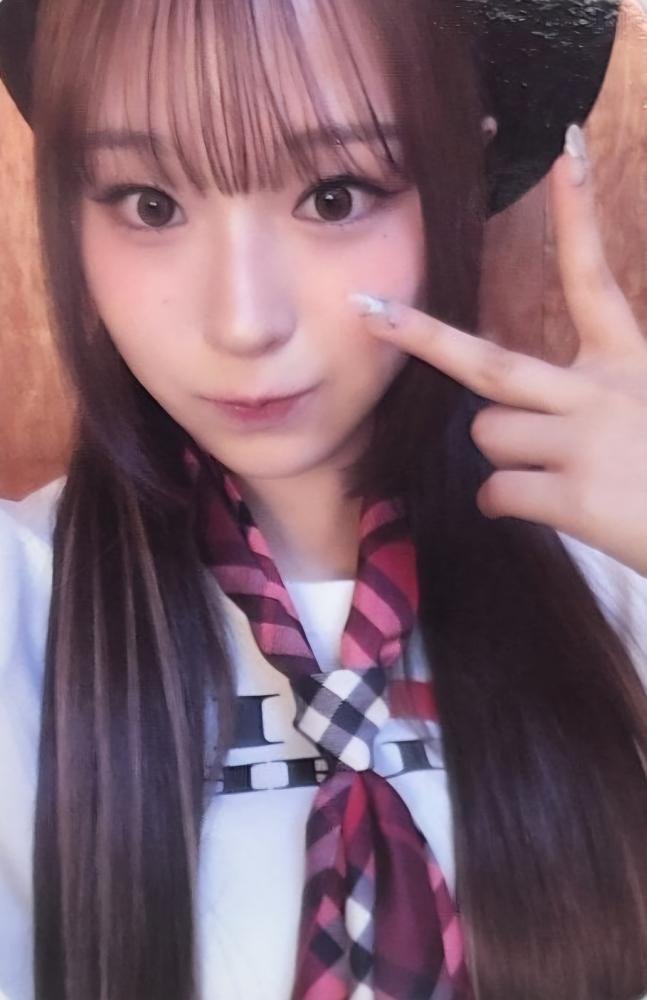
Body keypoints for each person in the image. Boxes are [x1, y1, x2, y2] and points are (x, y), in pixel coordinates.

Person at [1, 0, 646, 998]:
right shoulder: (23, 603)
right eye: (150, 204)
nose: (244, 322)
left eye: (335, 195)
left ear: (457, 174)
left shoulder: (614, 573)